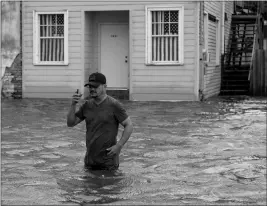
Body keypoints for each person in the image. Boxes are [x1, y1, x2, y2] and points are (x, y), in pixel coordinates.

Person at [67, 72, 133, 171]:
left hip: (108, 161)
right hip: (90, 160)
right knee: (88, 186)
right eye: (90, 86)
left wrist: (119, 146)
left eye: (95, 86)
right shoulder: (87, 105)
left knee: (109, 186)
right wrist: (73, 105)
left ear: (104, 86)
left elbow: (129, 125)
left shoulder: (114, 105)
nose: (92, 89)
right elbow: (70, 123)